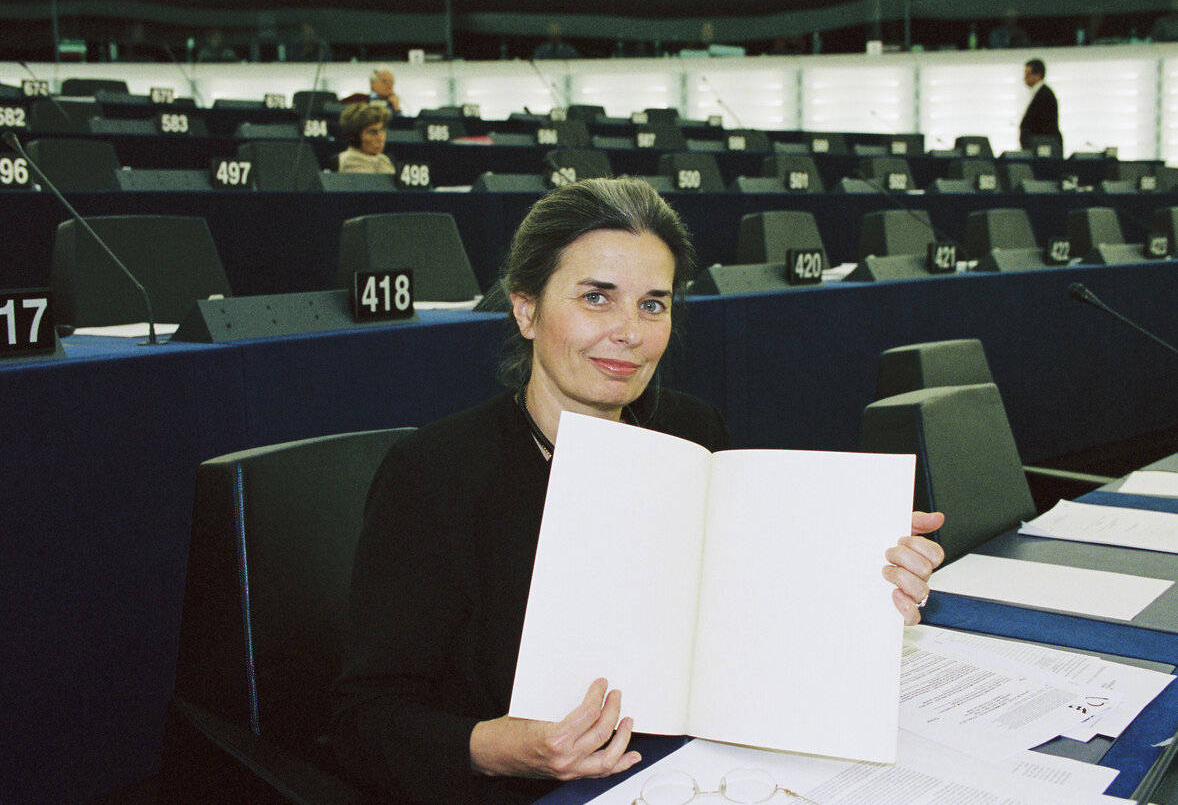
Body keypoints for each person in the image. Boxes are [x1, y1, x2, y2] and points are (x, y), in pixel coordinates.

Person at [331, 178, 945, 805]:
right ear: (525, 308)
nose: (630, 331)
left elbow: (737, 611)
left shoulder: (692, 431)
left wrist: (864, 587)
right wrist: (503, 750)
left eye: (654, 304)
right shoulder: (436, 472)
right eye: (597, 297)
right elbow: (363, 721)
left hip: (687, 768)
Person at [337, 102, 394, 174]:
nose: (381, 138)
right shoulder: (350, 160)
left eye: (382, 130)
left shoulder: (384, 159)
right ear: (355, 136)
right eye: (373, 132)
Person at [1019, 58, 1060, 151]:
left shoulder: (1045, 95)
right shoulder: (1038, 93)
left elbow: (1046, 126)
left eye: (1027, 74)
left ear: (1038, 75)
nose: (1024, 78)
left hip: (1043, 147)